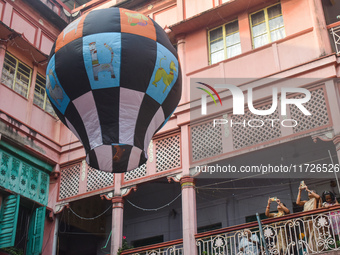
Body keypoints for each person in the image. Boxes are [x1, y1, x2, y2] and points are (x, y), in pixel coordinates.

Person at [296, 184, 320, 252]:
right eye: (309, 192)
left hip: (313, 220)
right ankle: (311, 250)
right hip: (307, 221)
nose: (309, 193)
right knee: (309, 238)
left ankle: (316, 250)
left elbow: (318, 197)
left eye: (312, 192)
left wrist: (308, 189)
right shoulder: (306, 202)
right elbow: (298, 202)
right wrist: (300, 191)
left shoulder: (315, 199)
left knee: (315, 236)